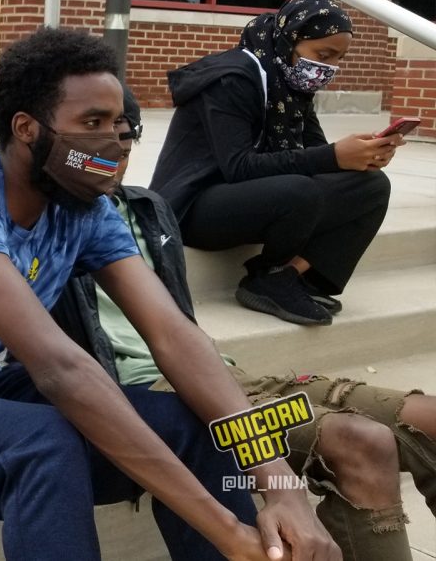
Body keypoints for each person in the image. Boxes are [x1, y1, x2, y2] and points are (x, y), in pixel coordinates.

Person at [0, 28, 339, 560]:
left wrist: (282, 487)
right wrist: (224, 527)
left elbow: (175, 335)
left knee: (194, 425)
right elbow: (61, 368)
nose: (111, 142)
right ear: (27, 128)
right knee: (43, 442)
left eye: (118, 125)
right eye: (91, 124)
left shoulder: (86, 209)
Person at [54, 87, 436, 560]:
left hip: (226, 378)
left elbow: (178, 330)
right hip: (157, 394)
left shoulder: (147, 211)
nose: (110, 152)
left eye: (124, 138)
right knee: (360, 440)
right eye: (93, 132)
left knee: (429, 416)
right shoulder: (32, 223)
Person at [149, 0, 403, 326]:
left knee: (370, 187)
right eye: (323, 55)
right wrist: (333, 156)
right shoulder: (231, 79)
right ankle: (265, 275)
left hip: (254, 198)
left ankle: (289, 277)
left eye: (338, 58)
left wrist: (361, 155)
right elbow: (238, 166)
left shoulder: (290, 85)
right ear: (290, 38)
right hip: (194, 205)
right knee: (300, 191)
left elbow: (315, 152)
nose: (328, 68)